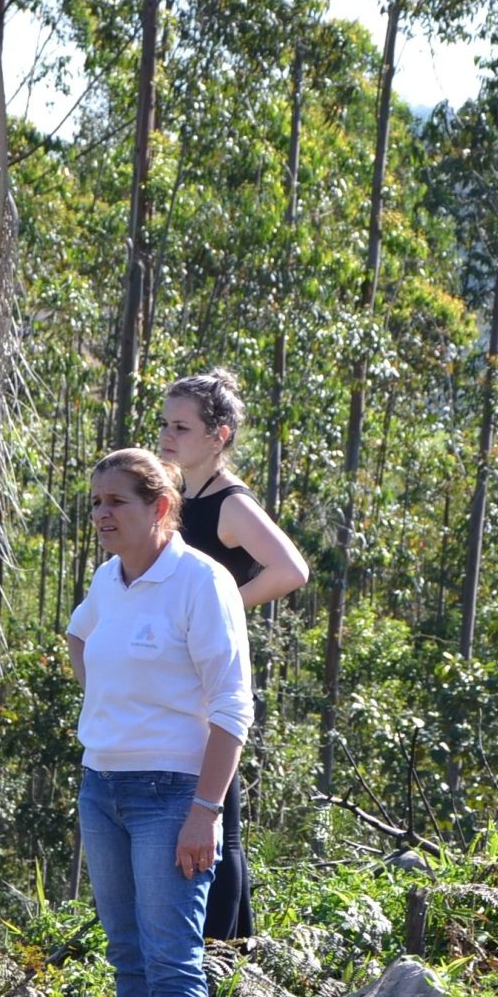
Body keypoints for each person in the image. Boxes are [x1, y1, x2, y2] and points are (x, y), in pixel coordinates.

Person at [68, 448, 254, 997]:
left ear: (161, 507)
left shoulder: (202, 583)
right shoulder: (108, 581)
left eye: (116, 501)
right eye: (95, 502)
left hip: (171, 796)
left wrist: (206, 809)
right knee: (128, 955)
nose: (102, 514)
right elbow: (78, 635)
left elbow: (234, 708)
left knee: (173, 959)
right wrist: (106, 706)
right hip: (103, 790)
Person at [157, 368, 309, 939]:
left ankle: (225, 952)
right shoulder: (174, 497)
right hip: (174, 679)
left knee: (220, 807)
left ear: (218, 436)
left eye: (182, 426)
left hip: (213, 677)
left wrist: (224, 611)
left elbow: (292, 570)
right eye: (165, 424)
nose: (168, 435)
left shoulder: (229, 504)